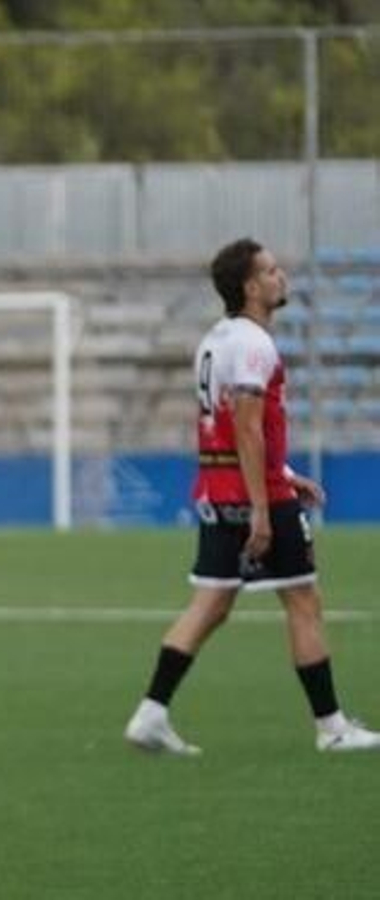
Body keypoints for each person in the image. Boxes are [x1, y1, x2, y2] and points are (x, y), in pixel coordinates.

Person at [123, 238, 380, 756]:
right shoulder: (255, 346)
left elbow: (228, 428)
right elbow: (245, 426)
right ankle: (332, 728)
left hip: (217, 489)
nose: (281, 277)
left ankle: (150, 714)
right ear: (249, 286)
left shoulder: (217, 339)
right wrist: (265, 504)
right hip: (251, 495)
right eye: (271, 270)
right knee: (303, 599)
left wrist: (286, 471)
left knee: (211, 603)